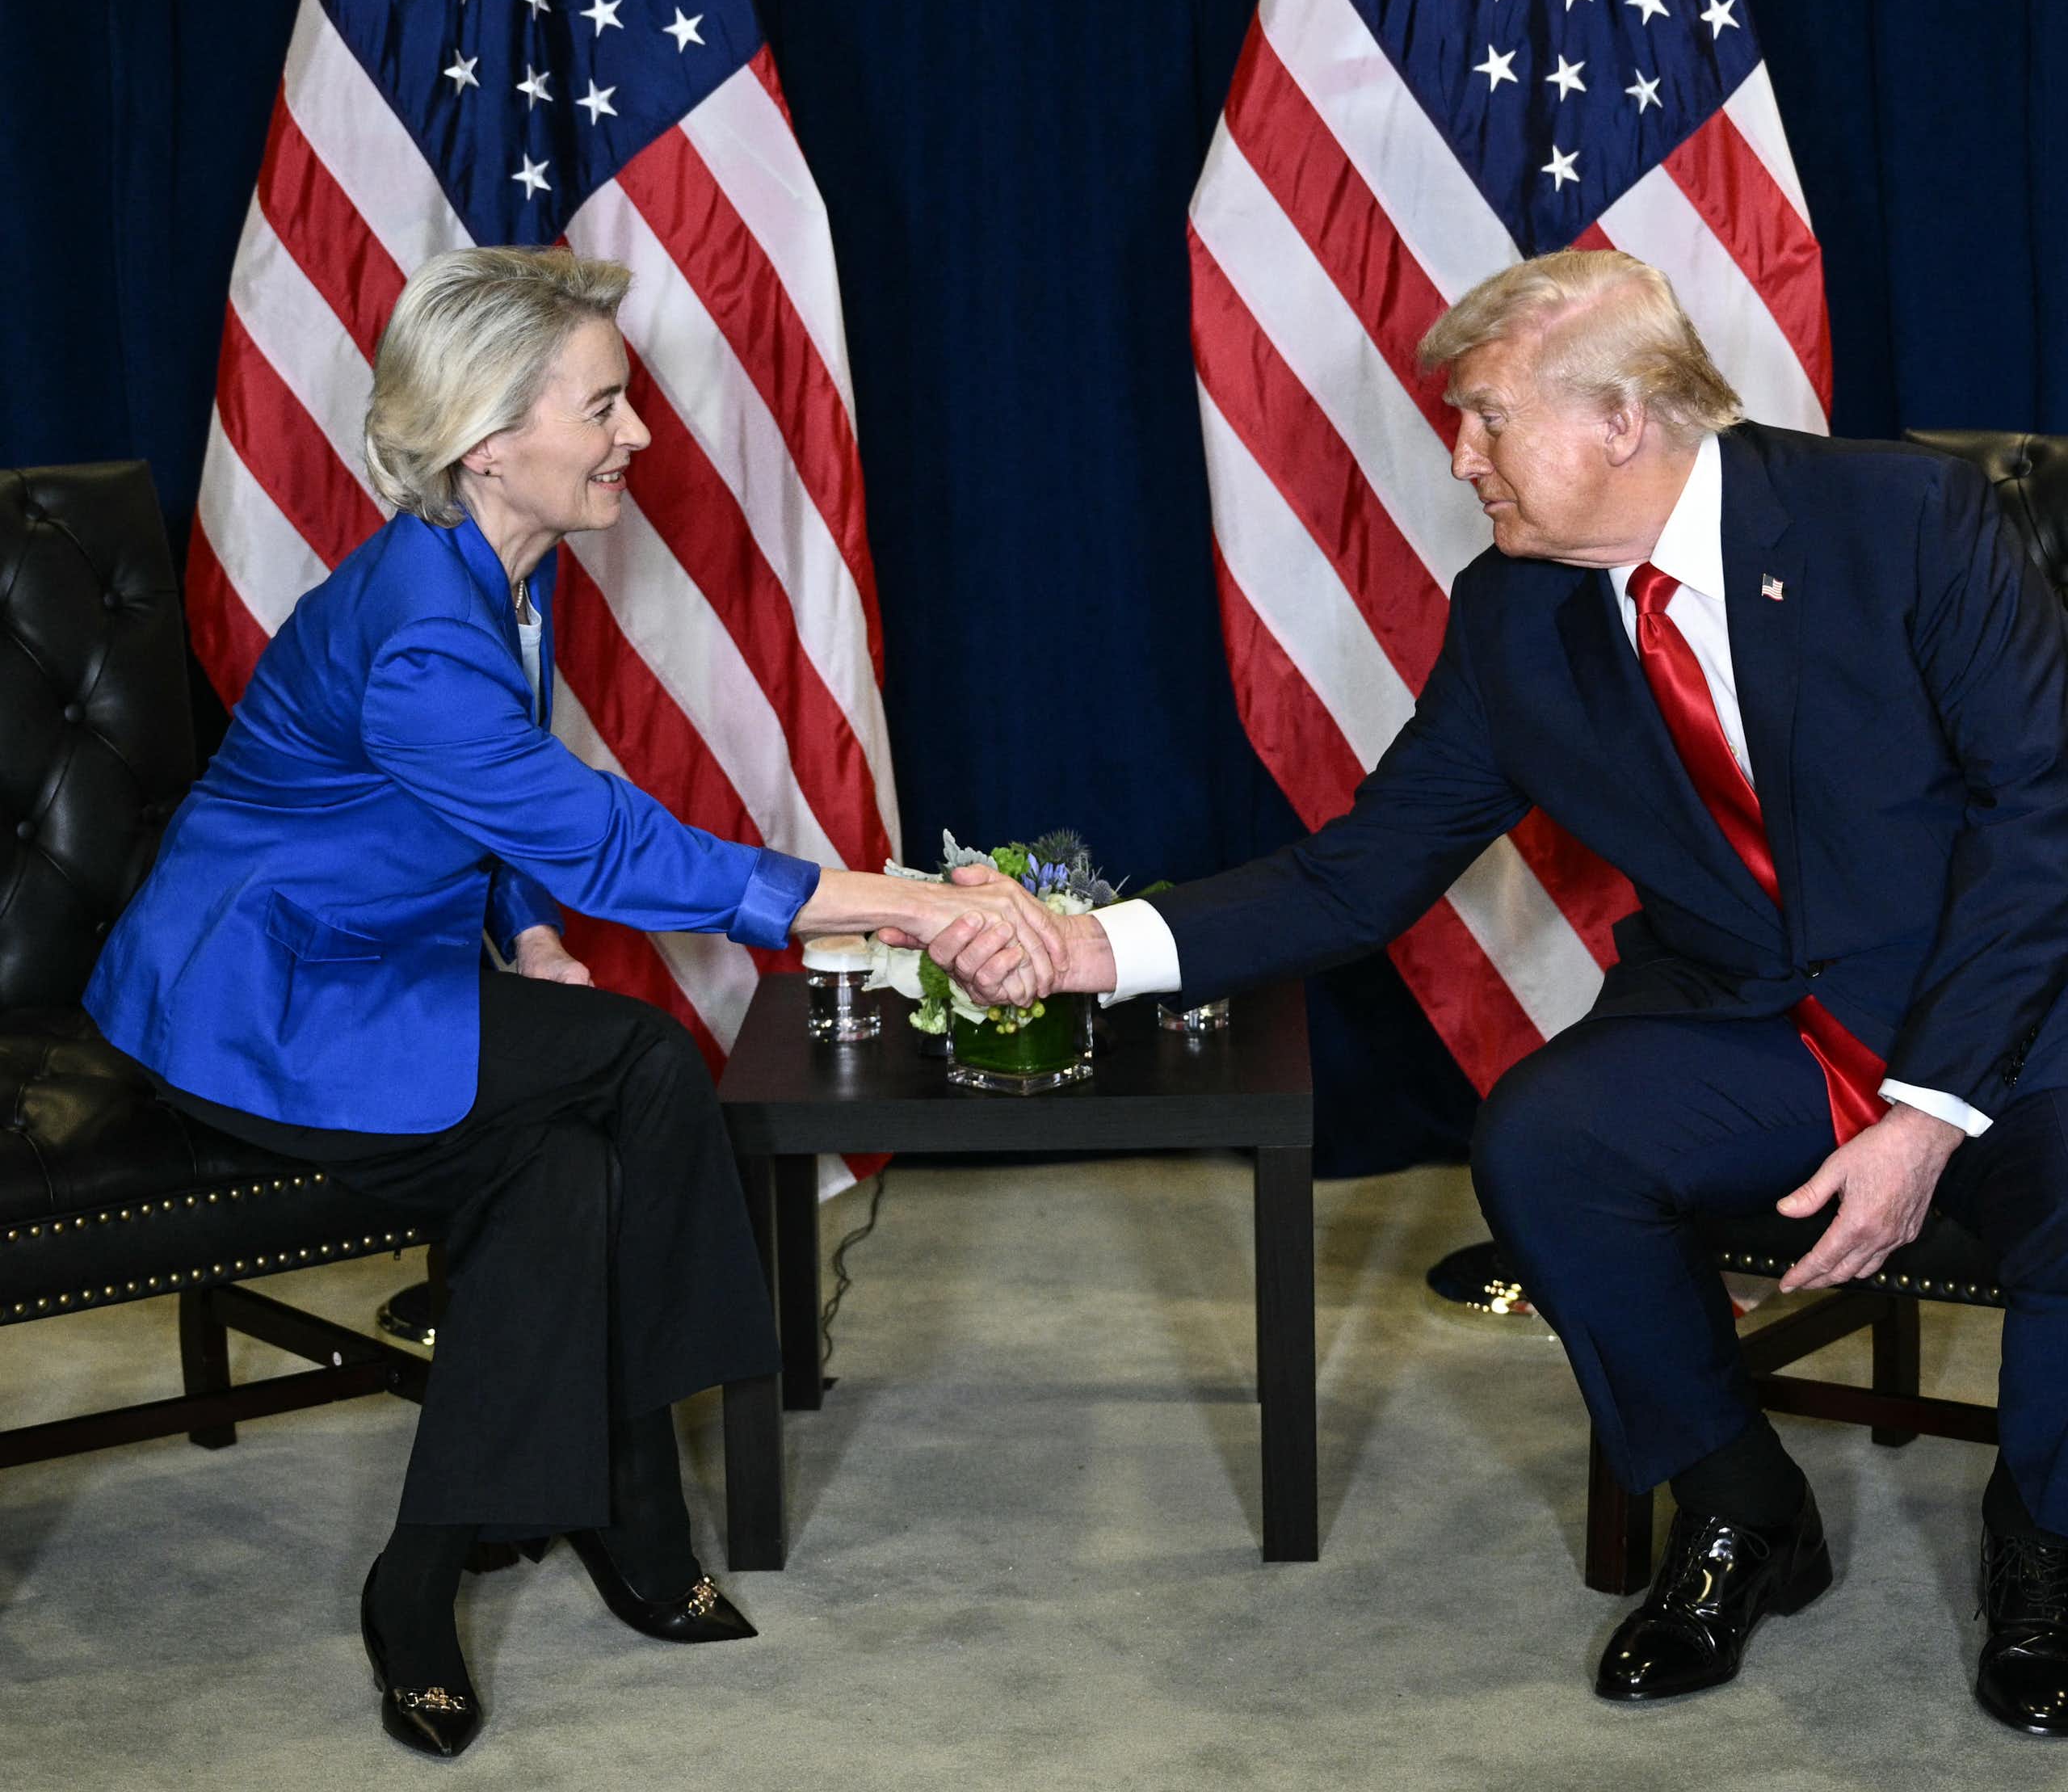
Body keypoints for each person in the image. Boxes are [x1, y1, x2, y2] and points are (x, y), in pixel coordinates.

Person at [930, 248, 2068, 1731]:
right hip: (1754, 1021)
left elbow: (2044, 822)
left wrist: (1923, 1118)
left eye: (1483, 418)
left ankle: (2045, 1539)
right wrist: (1097, 950)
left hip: (2010, 1018)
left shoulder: (1907, 521)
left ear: (1623, 418)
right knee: (1547, 1137)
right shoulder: (1514, 615)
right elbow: (1365, 870)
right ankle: (1741, 1507)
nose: (1459, 458)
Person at [85, 245, 1062, 1760]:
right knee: (644, 1065)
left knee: (569, 1174)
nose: (640, 437)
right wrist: (912, 905)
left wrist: (529, 932)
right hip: (257, 1012)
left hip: (365, 979)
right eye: (605, 407)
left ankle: (426, 1575)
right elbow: (603, 836)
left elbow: (493, 814)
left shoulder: (485, 572)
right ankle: (638, 1498)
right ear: (489, 439)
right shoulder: (422, 624)